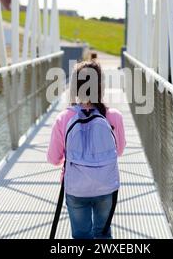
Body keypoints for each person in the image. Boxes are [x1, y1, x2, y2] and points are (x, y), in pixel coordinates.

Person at [47, 61, 126, 239]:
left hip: (76, 188)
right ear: (101, 87)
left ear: (74, 88)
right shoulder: (114, 117)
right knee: (103, 235)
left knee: (81, 236)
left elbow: (54, 158)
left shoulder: (64, 118)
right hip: (106, 186)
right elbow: (119, 151)